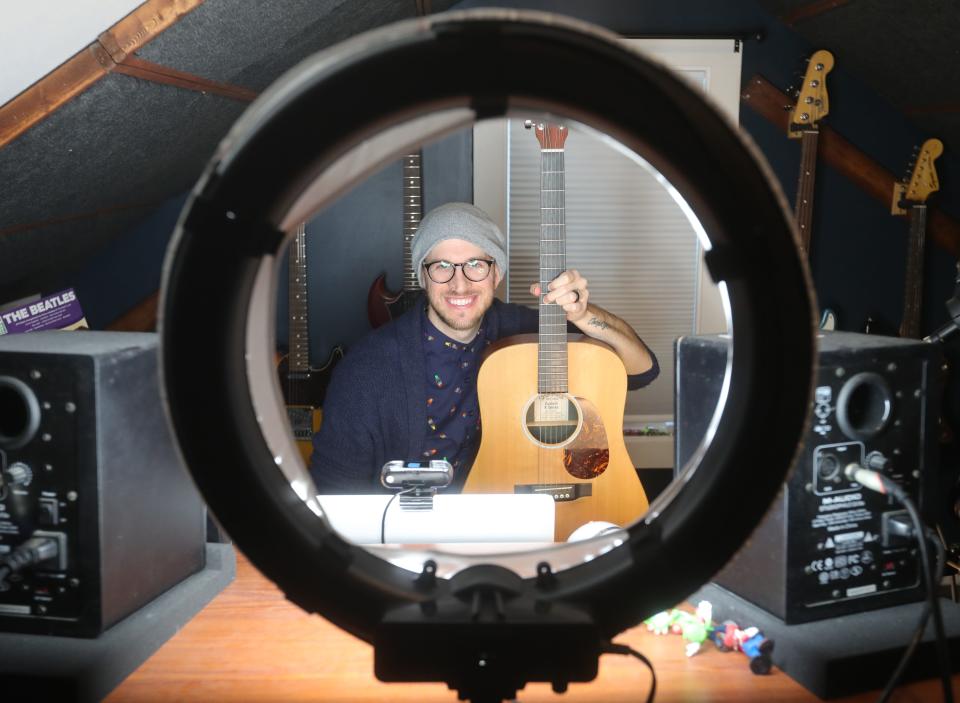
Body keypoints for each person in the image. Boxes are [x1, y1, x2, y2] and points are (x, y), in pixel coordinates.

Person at [309, 202, 658, 493]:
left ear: (496, 273)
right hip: (411, 535)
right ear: (422, 276)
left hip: (510, 520)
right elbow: (333, 491)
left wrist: (584, 314)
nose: (460, 284)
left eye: (476, 264)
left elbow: (642, 369)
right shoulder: (367, 370)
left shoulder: (523, 334)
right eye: (442, 266)